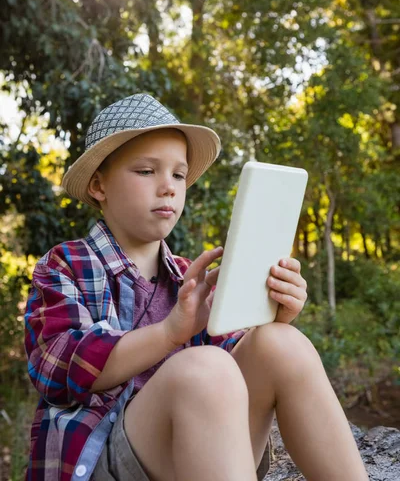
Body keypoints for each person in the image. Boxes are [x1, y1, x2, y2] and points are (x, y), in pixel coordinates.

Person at [24, 93, 368, 481]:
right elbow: (57, 366)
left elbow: (237, 359)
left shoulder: (189, 278)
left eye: (178, 174)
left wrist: (273, 315)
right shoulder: (66, 265)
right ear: (99, 185)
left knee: (280, 343)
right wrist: (170, 333)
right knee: (204, 367)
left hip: (197, 454)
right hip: (101, 461)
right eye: (146, 171)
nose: (168, 187)